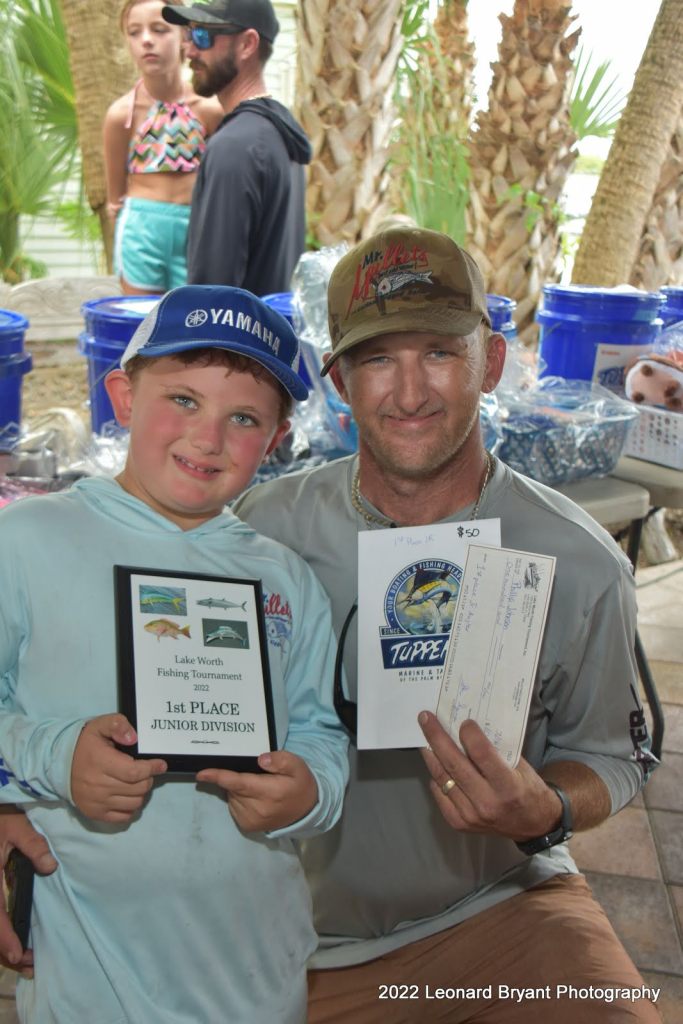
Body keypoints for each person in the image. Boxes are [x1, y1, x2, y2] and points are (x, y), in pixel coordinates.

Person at [0, 229, 660, 1022]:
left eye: (438, 353)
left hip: (499, 911)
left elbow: (615, 754)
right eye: (378, 359)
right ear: (340, 380)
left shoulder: (577, 560)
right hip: (300, 942)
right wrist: (13, 797)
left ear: (489, 361)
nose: (408, 393)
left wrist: (545, 809)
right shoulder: (260, 528)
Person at [0, 285, 348, 1022]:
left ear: (277, 438)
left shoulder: (285, 579)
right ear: (123, 396)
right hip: (92, 980)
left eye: (244, 418)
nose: (208, 437)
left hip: (257, 979)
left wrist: (310, 792)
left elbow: (322, 734)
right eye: (183, 400)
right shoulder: (26, 542)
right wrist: (56, 756)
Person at [160, 0, 311, 293]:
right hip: (271, 321)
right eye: (189, 34)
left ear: (247, 44)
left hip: (240, 325)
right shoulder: (279, 132)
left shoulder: (235, 146)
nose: (190, 51)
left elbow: (212, 293)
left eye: (203, 36)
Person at [103, 0, 222, 294]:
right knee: (141, 318)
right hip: (141, 234)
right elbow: (115, 200)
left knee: (194, 316)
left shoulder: (210, 110)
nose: (146, 40)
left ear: (184, 37)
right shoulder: (121, 115)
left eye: (159, 29)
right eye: (134, 32)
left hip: (196, 232)